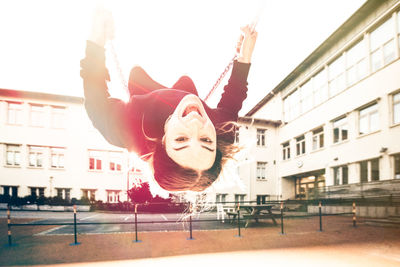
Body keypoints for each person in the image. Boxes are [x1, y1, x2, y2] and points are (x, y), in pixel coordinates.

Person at [80, 8, 258, 192]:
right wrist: (244, 57)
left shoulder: (129, 130)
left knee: (137, 74)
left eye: (181, 139)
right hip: (184, 92)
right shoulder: (222, 132)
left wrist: (97, 40)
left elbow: (95, 98)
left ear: (162, 143)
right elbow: (233, 101)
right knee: (187, 85)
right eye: (206, 140)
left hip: (147, 95)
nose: (196, 124)